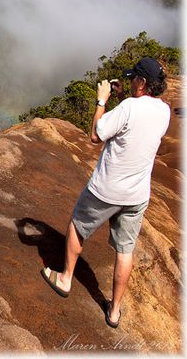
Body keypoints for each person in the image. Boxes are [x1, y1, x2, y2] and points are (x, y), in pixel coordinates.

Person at [40, 56, 170, 328]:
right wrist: (124, 98)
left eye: (134, 77)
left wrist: (102, 101)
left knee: (77, 226)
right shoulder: (164, 111)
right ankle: (114, 311)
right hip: (137, 196)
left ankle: (65, 279)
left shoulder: (128, 109)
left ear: (143, 83)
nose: (131, 80)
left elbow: (96, 135)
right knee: (125, 250)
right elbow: (136, 123)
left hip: (106, 190)